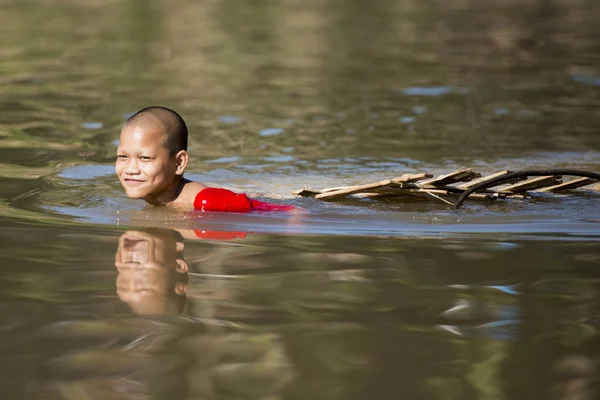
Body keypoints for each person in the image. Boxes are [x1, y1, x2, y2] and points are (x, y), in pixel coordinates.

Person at [116, 106, 298, 212]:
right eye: (123, 156)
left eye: (145, 158)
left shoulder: (207, 202)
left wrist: (294, 217)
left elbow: (290, 211)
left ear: (179, 163)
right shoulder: (154, 194)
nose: (131, 168)